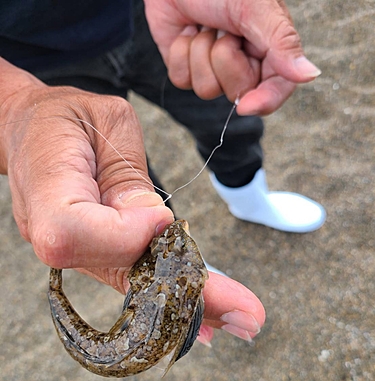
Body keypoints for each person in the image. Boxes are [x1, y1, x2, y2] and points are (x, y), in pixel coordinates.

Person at [0, 0, 323, 345]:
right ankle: (189, 269)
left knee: (228, 112)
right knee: (130, 193)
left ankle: (249, 199)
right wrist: (11, 101)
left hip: (144, 14)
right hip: (29, 60)